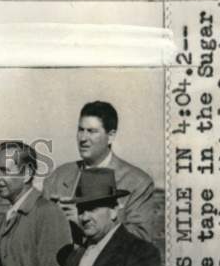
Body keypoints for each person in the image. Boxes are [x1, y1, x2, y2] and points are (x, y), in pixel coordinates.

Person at [42, 100, 156, 244]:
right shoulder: (57, 178)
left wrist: (84, 221)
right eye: (80, 130)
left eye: (92, 131)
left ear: (111, 136)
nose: (83, 138)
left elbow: (141, 239)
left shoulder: (137, 183)